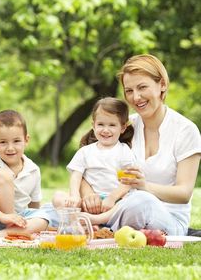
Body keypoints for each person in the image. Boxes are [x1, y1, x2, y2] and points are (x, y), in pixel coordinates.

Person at [81, 54, 201, 235]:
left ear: (162, 84)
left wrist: (144, 186)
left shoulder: (185, 130)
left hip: (168, 219)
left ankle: (98, 224)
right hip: (117, 208)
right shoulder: (125, 126)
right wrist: (89, 193)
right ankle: (103, 226)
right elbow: (84, 160)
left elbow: (184, 193)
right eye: (129, 90)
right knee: (60, 202)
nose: (136, 97)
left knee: (141, 201)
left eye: (142, 87)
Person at [0, 110, 53, 237]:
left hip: (15, 220)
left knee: (44, 217)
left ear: (26, 140)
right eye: (3, 142)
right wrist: (3, 217)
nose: (10, 148)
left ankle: (0, 234)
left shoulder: (33, 169)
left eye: (16, 141)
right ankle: (8, 229)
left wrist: (38, 221)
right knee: (4, 175)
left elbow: (34, 206)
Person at [52, 97, 136, 214]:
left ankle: (95, 222)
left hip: (115, 202)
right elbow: (76, 176)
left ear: (122, 128)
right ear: (93, 125)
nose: (105, 130)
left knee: (134, 203)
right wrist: (75, 196)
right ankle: (82, 223)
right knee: (58, 197)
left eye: (112, 125)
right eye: (100, 124)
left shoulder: (124, 151)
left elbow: (128, 181)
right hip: (89, 202)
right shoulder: (85, 152)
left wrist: (112, 198)